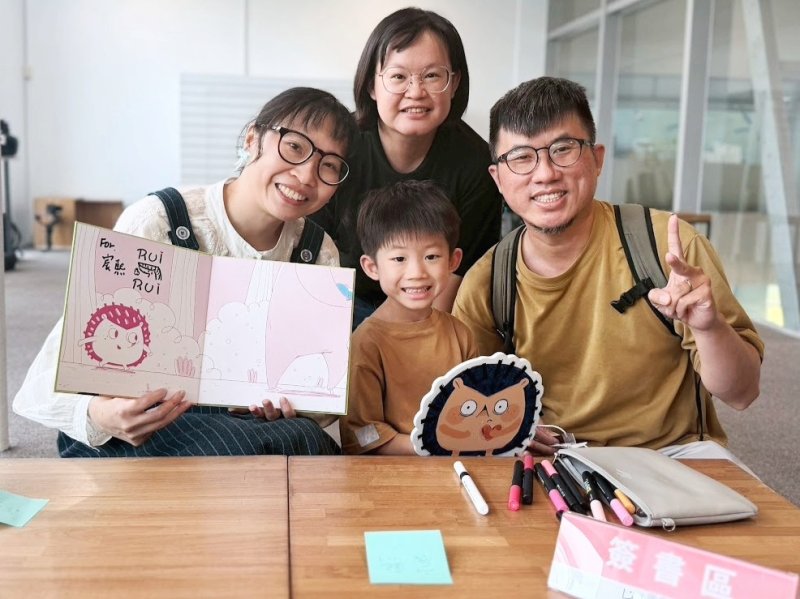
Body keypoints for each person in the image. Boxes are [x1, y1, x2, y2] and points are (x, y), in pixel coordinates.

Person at [14, 87, 357, 457]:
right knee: (283, 449)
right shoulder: (158, 221)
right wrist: (102, 415)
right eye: (294, 147)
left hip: (246, 430)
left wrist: (291, 405)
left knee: (299, 437)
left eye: (329, 165)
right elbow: (47, 381)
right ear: (252, 139)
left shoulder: (317, 251)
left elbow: (320, 401)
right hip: (143, 427)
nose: (306, 175)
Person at [452, 77, 764, 464]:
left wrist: (709, 328)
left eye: (563, 149)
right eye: (521, 158)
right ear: (498, 179)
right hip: (555, 459)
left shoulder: (668, 248)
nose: (545, 173)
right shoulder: (487, 281)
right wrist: (512, 429)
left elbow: (742, 393)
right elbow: (472, 404)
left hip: (673, 454)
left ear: (597, 159)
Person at [310, 7, 503, 328]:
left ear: (454, 83)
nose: (416, 92)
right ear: (371, 85)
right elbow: (310, 255)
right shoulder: (340, 147)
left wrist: (410, 343)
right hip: (339, 301)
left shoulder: (476, 163)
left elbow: (457, 280)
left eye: (432, 76)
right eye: (398, 77)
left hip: (428, 311)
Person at [340, 180, 479, 455]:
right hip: (390, 473)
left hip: (457, 466)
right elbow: (362, 434)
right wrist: (432, 446)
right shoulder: (365, 343)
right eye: (399, 259)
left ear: (453, 261)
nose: (417, 273)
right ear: (372, 267)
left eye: (431, 256)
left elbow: (474, 409)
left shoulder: (460, 334)